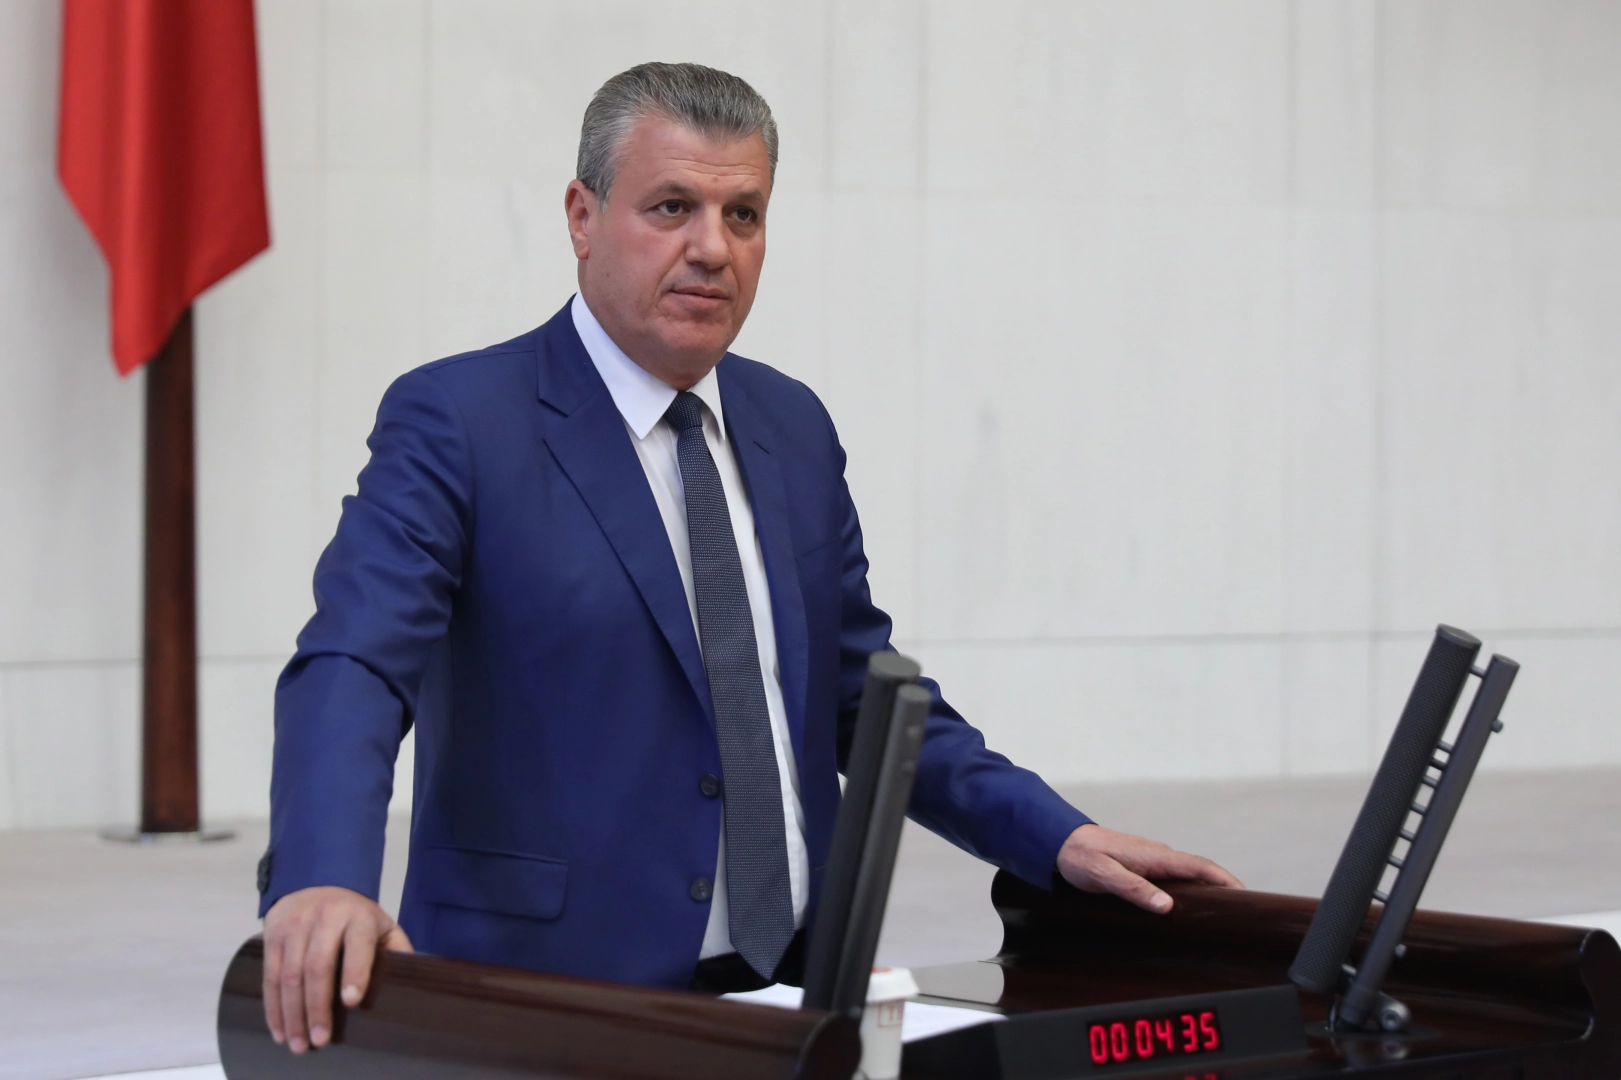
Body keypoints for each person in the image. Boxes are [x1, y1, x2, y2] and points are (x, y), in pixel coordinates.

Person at [259, 62, 1242, 1055]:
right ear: (582, 216)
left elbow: (860, 696)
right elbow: (355, 660)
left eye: (743, 215)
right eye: (671, 207)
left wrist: (1055, 836)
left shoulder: (791, 426)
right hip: (552, 1010)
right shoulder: (460, 421)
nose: (711, 248)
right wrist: (321, 876)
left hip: (801, 996)